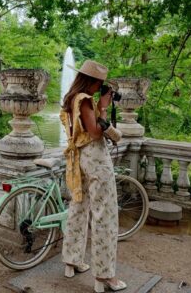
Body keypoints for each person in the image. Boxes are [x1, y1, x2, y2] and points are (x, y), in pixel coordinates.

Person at [60, 60, 126, 292]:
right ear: (93, 81)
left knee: (78, 208)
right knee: (104, 216)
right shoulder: (85, 101)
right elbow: (95, 132)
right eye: (100, 84)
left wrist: (100, 106)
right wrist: (104, 108)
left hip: (79, 159)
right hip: (96, 160)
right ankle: (104, 277)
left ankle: (72, 261)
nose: (101, 89)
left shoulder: (71, 99)